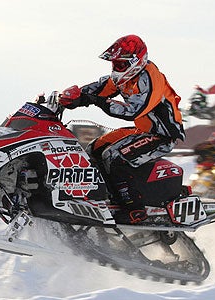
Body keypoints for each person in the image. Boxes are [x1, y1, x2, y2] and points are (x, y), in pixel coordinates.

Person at [58, 34, 185, 224]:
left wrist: (98, 101)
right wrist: (73, 97)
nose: (116, 68)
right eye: (115, 64)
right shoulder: (124, 76)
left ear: (135, 61)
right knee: (94, 149)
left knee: (114, 156)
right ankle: (105, 196)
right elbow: (100, 88)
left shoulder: (150, 78)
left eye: (120, 64)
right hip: (143, 131)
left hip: (162, 135)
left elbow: (134, 110)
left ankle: (134, 208)